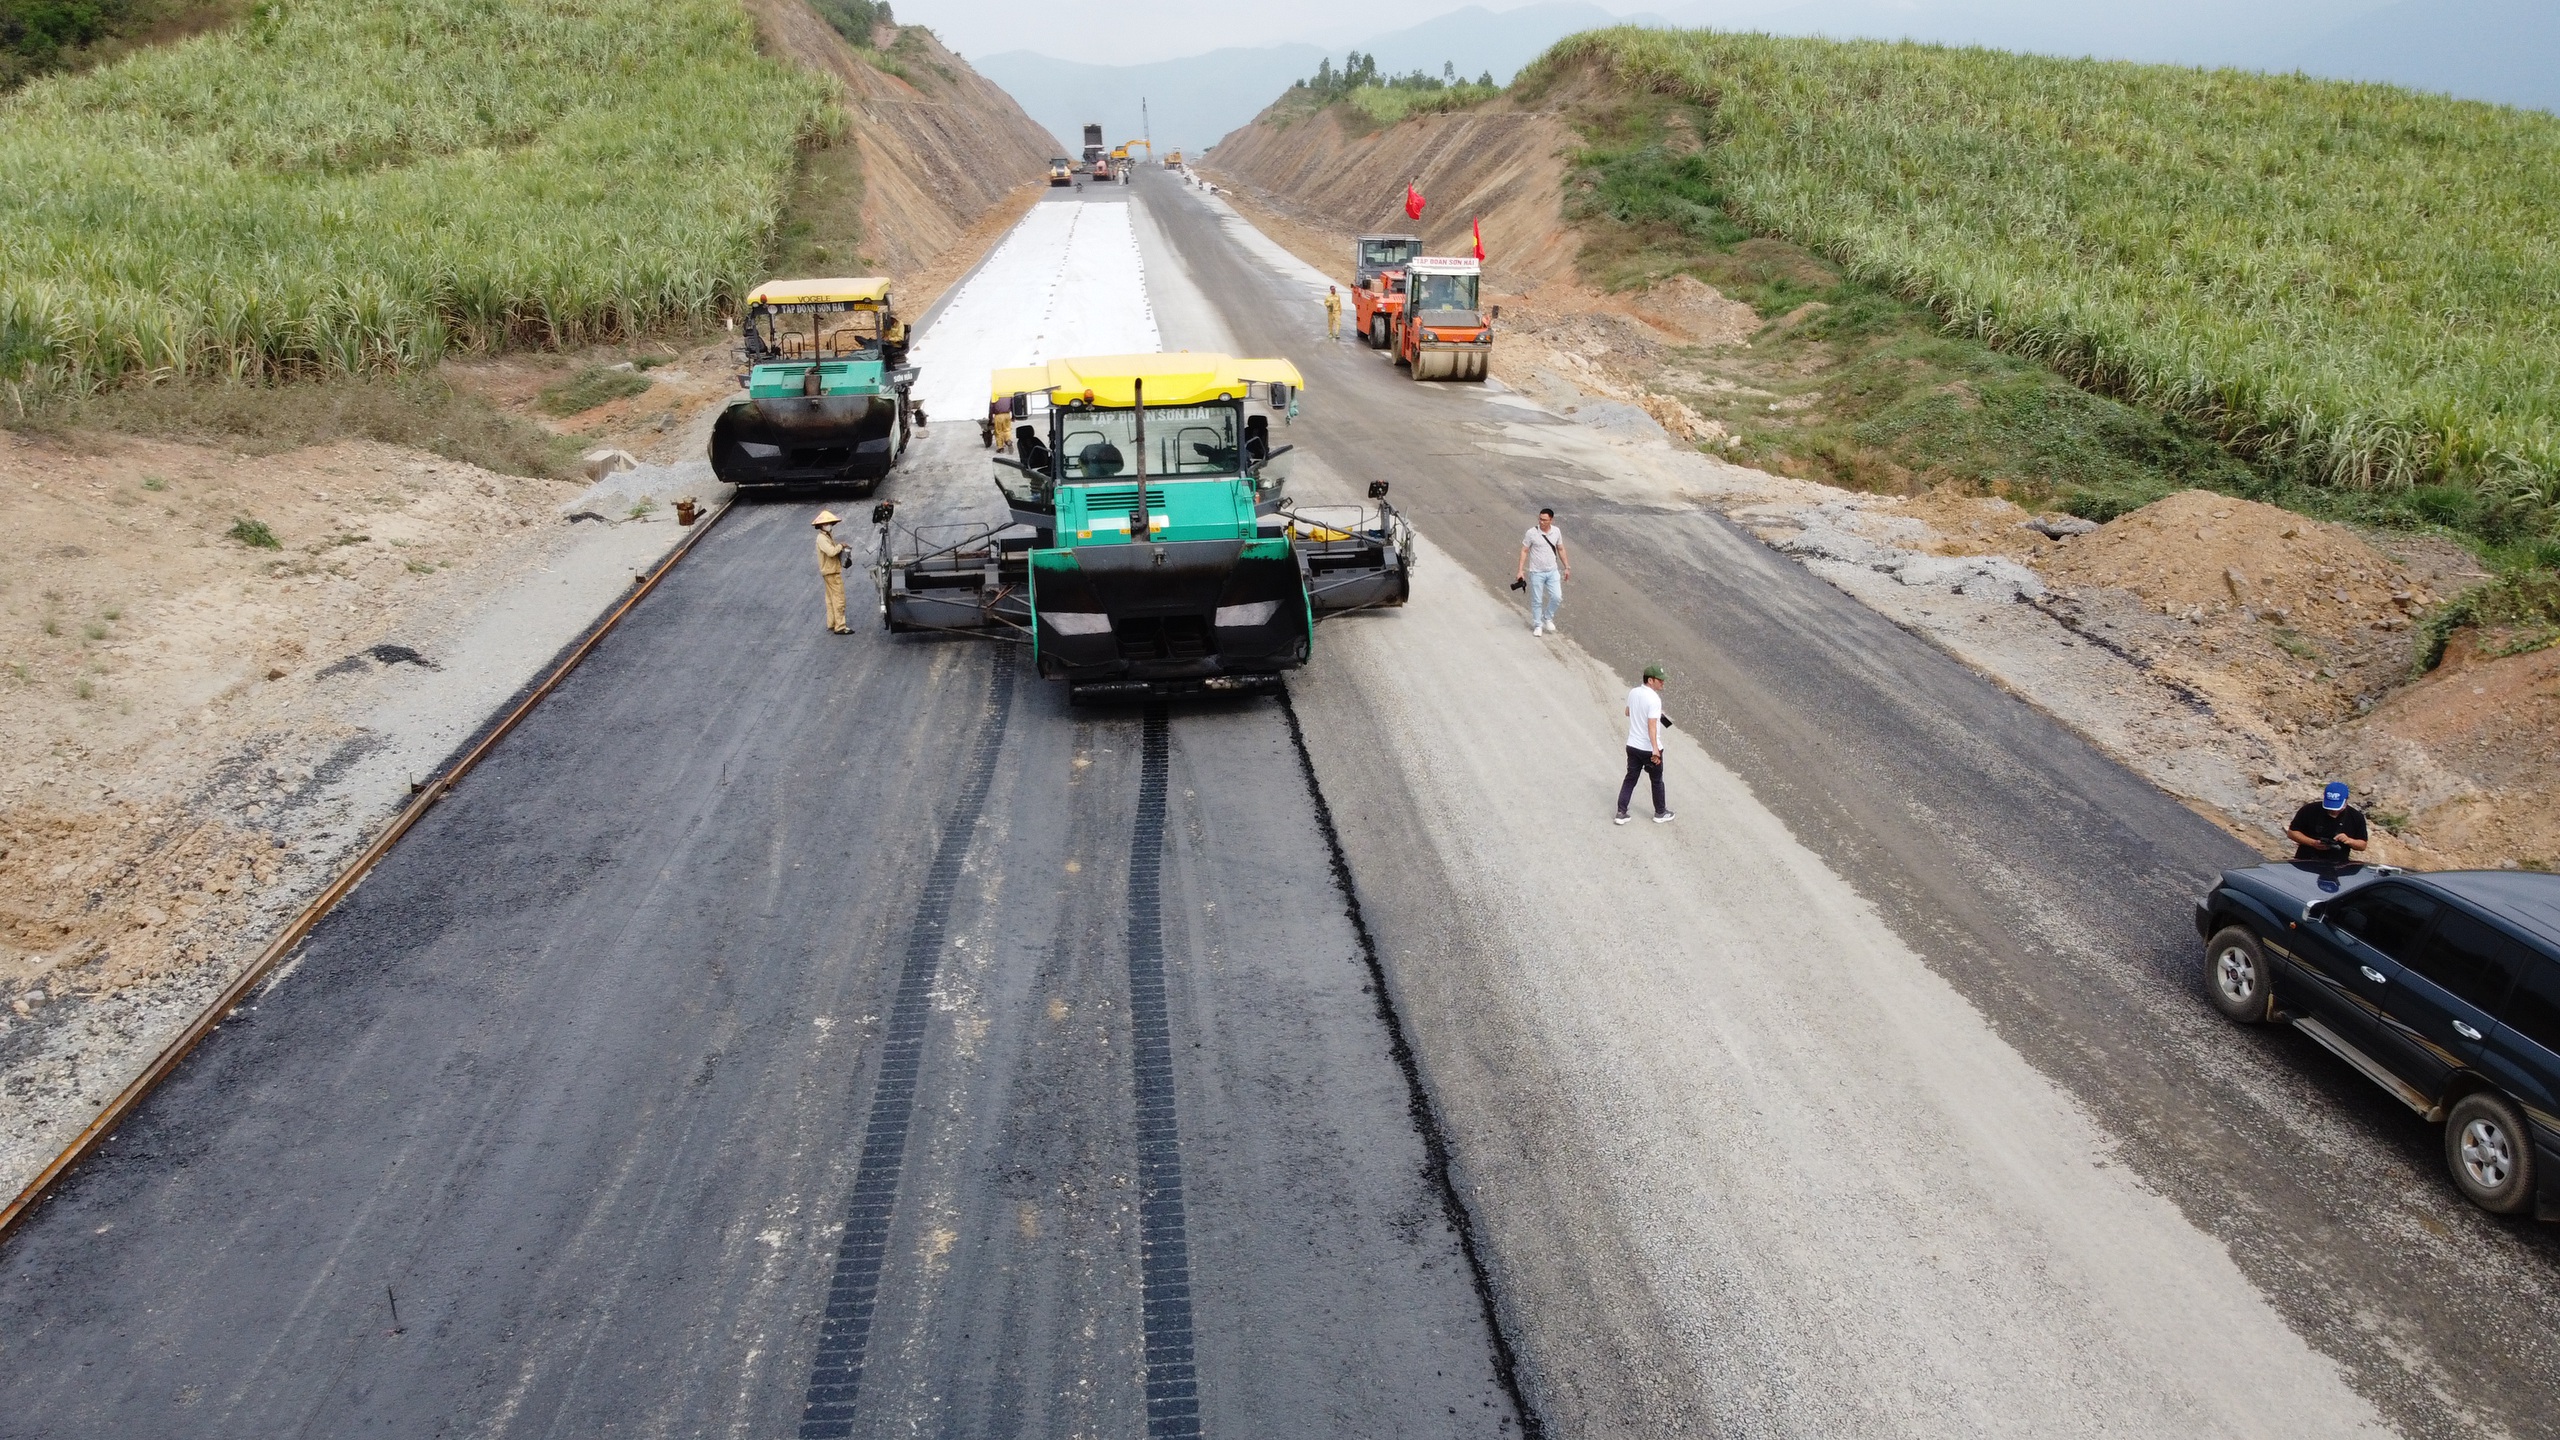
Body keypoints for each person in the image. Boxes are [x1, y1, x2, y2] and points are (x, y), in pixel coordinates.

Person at [1615, 664, 1674, 825]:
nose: (1662, 682)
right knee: (1657, 781)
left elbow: (1628, 712)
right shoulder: (1654, 699)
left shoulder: (1634, 692)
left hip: (1632, 746)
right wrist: (1655, 749)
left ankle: (1621, 812)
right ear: (1650, 680)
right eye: (1659, 680)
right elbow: (1652, 725)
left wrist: (1660, 718)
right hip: (1649, 749)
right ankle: (1660, 812)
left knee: (1630, 779)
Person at [1515, 507, 1569, 635]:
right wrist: (1520, 570)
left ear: (1551, 520)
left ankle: (1547, 617)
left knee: (1557, 597)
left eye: (1544, 520)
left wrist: (1567, 567)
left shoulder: (1556, 532)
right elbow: (1524, 550)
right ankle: (1538, 625)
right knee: (1537, 600)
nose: (1541, 522)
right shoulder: (1531, 533)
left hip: (1552, 571)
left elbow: (1560, 549)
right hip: (1536, 572)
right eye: (1540, 519)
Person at [2288, 781, 2370, 862]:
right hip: (2306, 861)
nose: (2334, 811)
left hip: (2338, 864)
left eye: (2337, 808)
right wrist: (2313, 843)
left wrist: (2349, 840)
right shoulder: (2309, 810)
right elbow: (2292, 832)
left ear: (2346, 801)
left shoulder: (2356, 817)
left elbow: (2362, 845)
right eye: (2330, 808)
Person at [813, 510, 852, 635]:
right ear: (821, 525)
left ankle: (832, 623)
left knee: (830, 599)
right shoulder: (822, 538)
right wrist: (841, 546)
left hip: (828, 572)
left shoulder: (826, 536)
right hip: (832, 572)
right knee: (839, 599)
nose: (829, 525)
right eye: (827, 523)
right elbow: (831, 552)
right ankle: (840, 626)